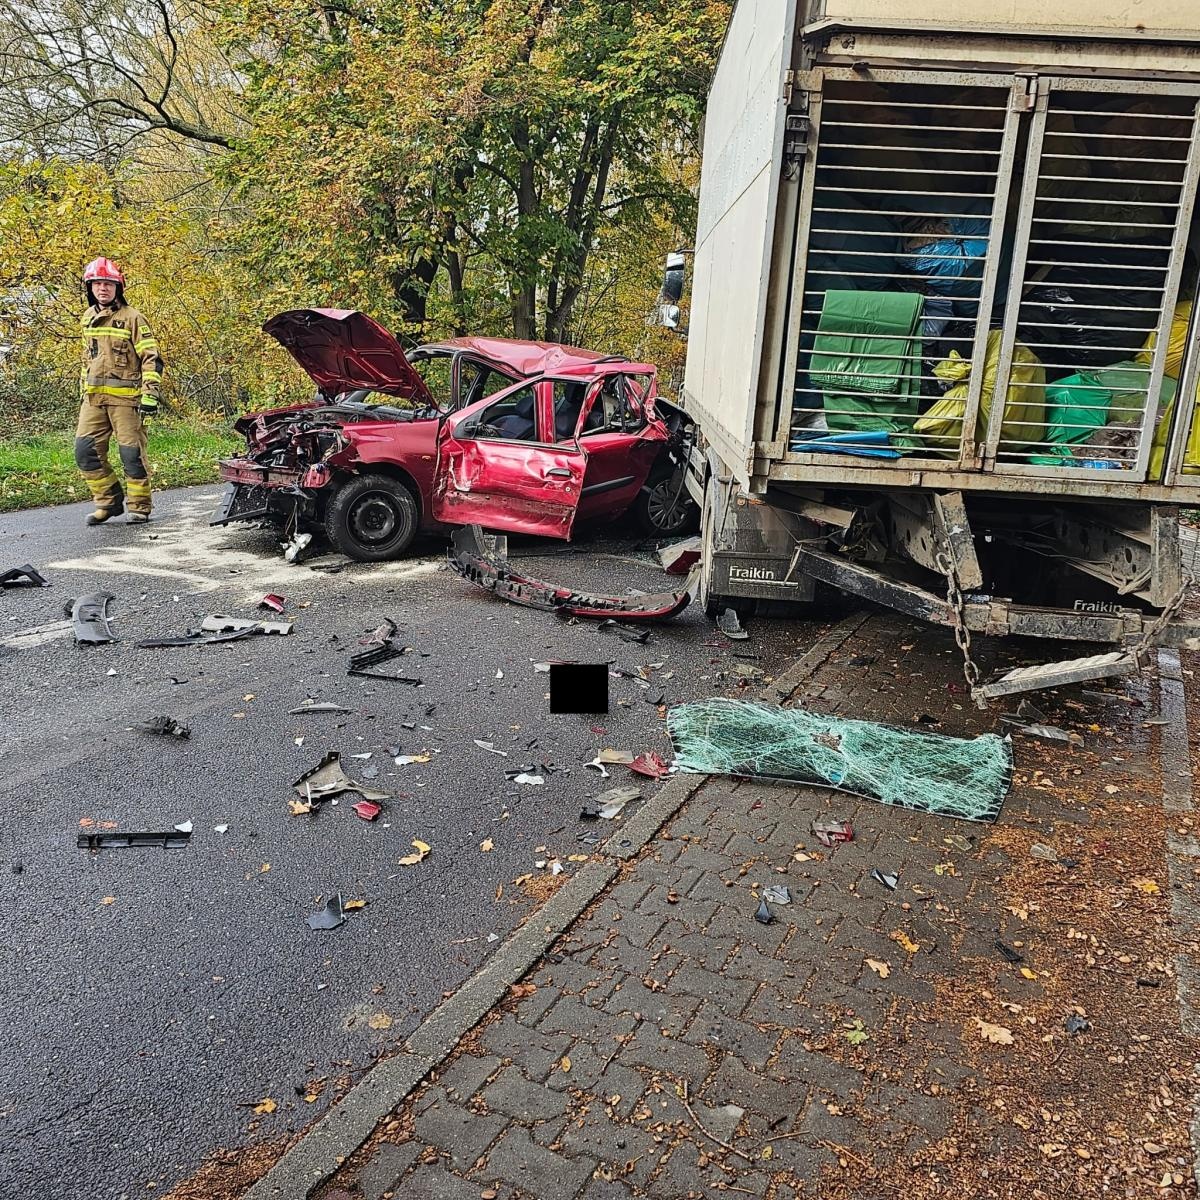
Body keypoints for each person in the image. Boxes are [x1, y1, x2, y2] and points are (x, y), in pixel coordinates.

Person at [75, 257, 163, 525]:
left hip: (126, 401)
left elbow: (152, 357)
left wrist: (150, 393)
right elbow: (87, 358)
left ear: (118, 287)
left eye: (108, 284)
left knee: (131, 455)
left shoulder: (132, 318)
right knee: (84, 451)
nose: (103, 289)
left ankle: (139, 506)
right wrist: (83, 390)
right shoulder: (88, 318)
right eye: (98, 284)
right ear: (90, 287)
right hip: (94, 400)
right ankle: (108, 502)